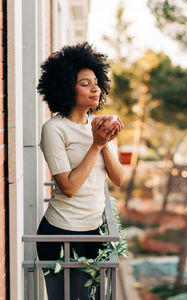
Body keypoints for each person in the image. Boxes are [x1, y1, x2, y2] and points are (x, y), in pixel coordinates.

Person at [36, 42, 125, 300]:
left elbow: (119, 179)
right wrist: (96, 145)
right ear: (66, 88)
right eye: (85, 83)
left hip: (94, 232)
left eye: (96, 82)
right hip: (61, 232)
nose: (95, 88)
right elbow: (69, 187)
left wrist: (105, 142)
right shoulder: (54, 129)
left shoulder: (99, 126)